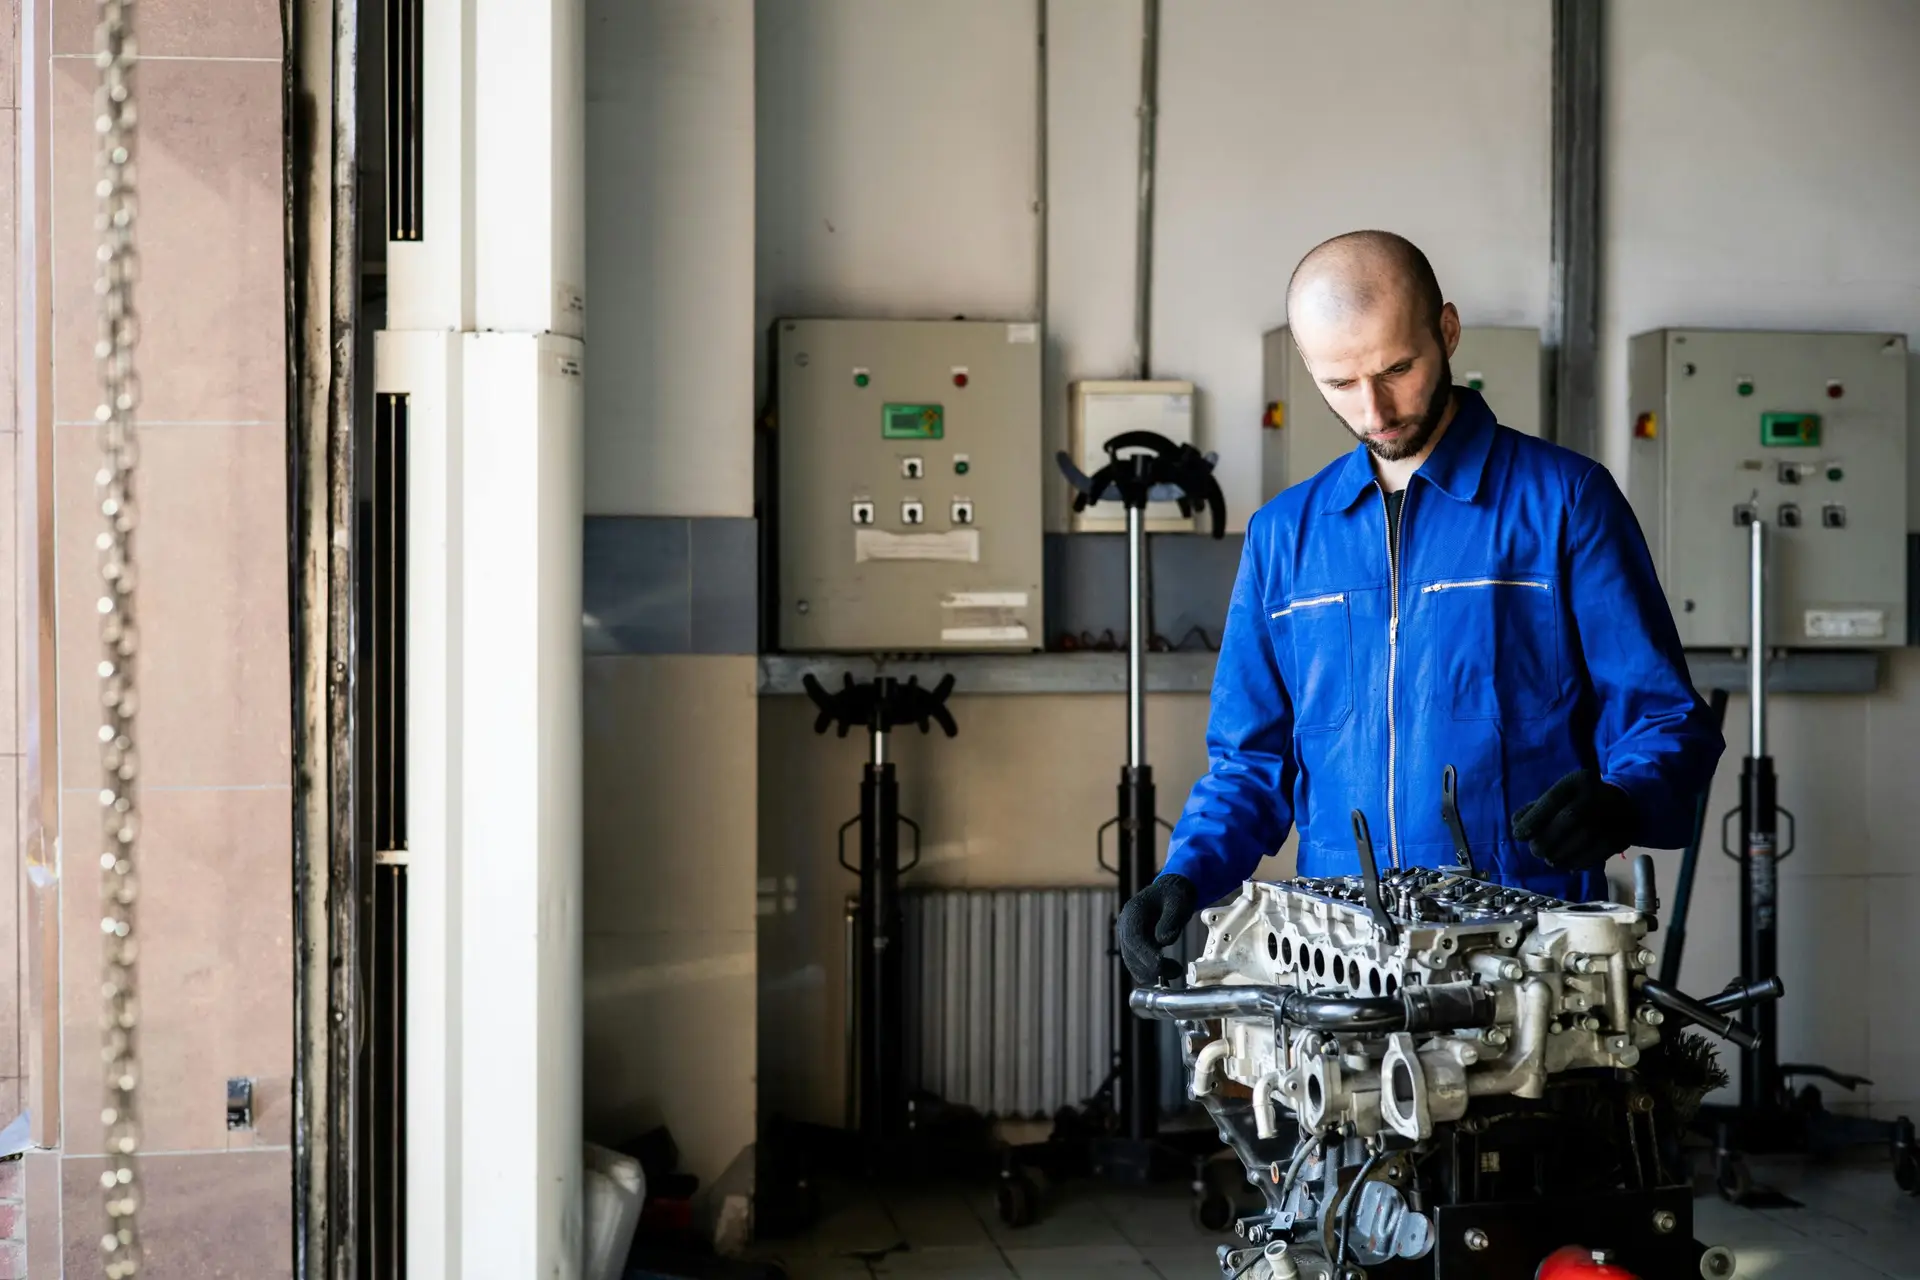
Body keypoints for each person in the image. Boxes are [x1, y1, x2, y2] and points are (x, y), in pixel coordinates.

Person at [1118, 230, 1723, 986]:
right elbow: (1251, 761)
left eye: (1396, 368)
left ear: (1447, 330)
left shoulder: (1563, 502)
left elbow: (1665, 719)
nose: (1374, 409)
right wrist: (1185, 873)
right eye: (1339, 382)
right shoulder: (1285, 536)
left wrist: (1625, 800)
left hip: (1525, 946)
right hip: (1339, 952)